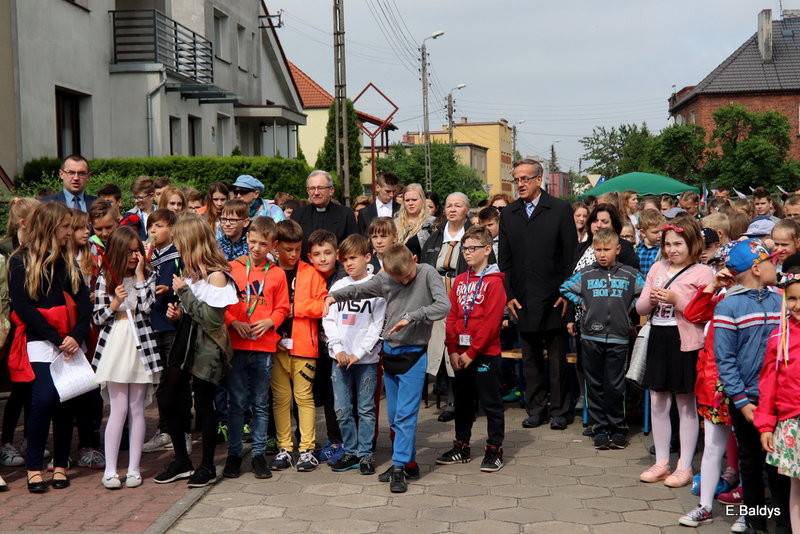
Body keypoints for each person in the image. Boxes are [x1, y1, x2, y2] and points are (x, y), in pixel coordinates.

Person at [324, 243, 450, 493]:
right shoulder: (385, 279)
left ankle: (399, 466)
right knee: (394, 417)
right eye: (398, 278)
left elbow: (443, 305)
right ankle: (410, 463)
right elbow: (360, 290)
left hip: (414, 354)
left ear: (414, 260)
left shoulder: (427, 273)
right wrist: (333, 296)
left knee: (405, 415)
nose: (404, 281)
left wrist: (412, 316)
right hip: (390, 353)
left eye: (407, 276)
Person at [8, 202, 91, 493]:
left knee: (65, 401)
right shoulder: (20, 260)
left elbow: (84, 302)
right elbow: (23, 307)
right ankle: (34, 468)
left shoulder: (68, 261)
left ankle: (60, 464)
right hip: (40, 341)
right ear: (50, 227)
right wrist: (57, 338)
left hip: (69, 340)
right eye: (65, 226)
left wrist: (76, 336)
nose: (70, 231)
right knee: (43, 399)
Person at [154, 215, 238, 488]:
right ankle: (182, 461)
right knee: (168, 397)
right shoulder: (193, 273)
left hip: (206, 345)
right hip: (186, 337)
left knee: (204, 402)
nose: (178, 247)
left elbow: (213, 320)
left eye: (180, 242)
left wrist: (185, 294)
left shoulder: (216, 275)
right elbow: (195, 312)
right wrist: (178, 313)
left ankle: (207, 466)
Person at [713, 240, 790, 532]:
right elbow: (725, 359)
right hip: (748, 399)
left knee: (779, 464)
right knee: (751, 462)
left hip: (779, 399)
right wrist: (742, 403)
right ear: (757, 269)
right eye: (771, 260)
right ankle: (756, 522)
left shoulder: (781, 300)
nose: (776, 265)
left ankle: (784, 523)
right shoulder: (728, 306)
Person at [499, 158, 577, 431]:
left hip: (555, 296)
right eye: (516, 179)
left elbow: (570, 257)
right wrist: (509, 294)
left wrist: (566, 292)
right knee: (530, 357)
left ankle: (560, 410)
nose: (520, 184)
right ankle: (536, 408)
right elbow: (504, 260)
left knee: (556, 358)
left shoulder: (559, 209)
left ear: (538, 180)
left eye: (525, 179)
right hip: (523, 297)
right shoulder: (509, 214)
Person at [636, 217, 712, 487]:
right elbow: (640, 308)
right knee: (658, 400)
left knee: (685, 403)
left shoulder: (703, 272)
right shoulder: (657, 267)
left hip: (686, 342)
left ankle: (685, 465)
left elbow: (703, 311)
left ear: (692, 243)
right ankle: (661, 462)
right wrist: (650, 299)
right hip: (659, 336)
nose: (672, 249)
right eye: (667, 244)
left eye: (678, 244)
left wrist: (677, 300)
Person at [561, 228, 644, 449]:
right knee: (595, 384)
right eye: (598, 249)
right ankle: (600, 428)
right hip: (590, 336)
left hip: (619, 338)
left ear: (618, 249)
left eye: (607, 249)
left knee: (615, 385)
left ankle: (618, 428)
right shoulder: (586, 273)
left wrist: (629, 307)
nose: (602, 254)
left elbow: (644, 292)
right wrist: (583, 303)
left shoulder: (629, 273)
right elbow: (565, 288)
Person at [91, 227, 161, 489]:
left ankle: (134, 469)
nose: (134, 256)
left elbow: (147, 307)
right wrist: (114, 303)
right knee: (118, 409)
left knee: (137, 408)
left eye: (137, 251)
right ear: (119, 252)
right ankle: (110, 470)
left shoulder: (148, 274)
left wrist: (140, 276)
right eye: (130, 251)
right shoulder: (105, 277)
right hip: (116, 343)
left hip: (141, 342)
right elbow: (97, 317)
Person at [222, 216, 289, 480]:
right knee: (237, 403)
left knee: (260, 403)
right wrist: (233, 322)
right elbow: (222, 303)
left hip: (263, 346)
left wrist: (271, 321)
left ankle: (259, 454)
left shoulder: (277, 273)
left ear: (273, 245)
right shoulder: (232, 268)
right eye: (253, 241)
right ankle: (234, 454)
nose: (257, 248)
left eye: (263, 244)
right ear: (247, 239)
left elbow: (282, 307)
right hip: (237, 344)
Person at [438, 226, 507, 472]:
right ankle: (461, 446)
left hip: (484, 353)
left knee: (491, 403)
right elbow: (452, 315)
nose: (467, 252)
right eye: (464, 248)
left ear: (487, 250)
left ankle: (494, 449)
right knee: (463, 402)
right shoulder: (460, 281)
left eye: (472, 248)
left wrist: (472, 352)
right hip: (460, 353)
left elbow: (491, 323)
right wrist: (453, 349)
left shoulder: (494, 282)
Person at [677, 263, 739, 527]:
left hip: (747, 385)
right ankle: (705, 507)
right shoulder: (722, 297)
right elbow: (693, 312)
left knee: (751, 453)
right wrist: (713, 286)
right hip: (714, 383)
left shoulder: (768, 298)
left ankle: (753, 513)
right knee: (712, 446)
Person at [322, 234, 386, 474]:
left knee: (366, 408)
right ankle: (350, 451)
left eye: (353, 258)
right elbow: (328, 319)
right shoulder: (338, 286)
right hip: (339, 360)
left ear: (367, 257)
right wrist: (338, 349)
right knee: (342, 409)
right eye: (345, 259)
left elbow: (377, 326)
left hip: (365, 360)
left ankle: (365, 454)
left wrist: (358, 354)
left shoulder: (376, 286)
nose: (348, 263)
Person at [270, 220, 328, 473]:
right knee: (281, 399)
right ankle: (284, 447)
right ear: (276, 247)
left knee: (304, 398)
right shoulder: (270, 272)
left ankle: (307, 449)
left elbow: (324, 305)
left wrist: (296, 308)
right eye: (288, 249)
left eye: (297, 249)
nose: (294, 254)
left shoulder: (311, 272)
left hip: (304, 345)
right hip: (275, 346)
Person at [421, 192, 481, 421]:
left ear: (467, 210)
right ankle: (452, 401)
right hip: (439, 303)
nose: (452, 209)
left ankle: (467, 401)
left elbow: (487, 268)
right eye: (448, 206)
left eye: (458, 206)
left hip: (466, 303)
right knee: (444, 350)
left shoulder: (475, 236)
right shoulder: (435, 237)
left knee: (464, 350)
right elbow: (424, 269)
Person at [141, 209, 192, 455]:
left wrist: (169, 291)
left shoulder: (178, 255)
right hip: (153, 325)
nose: (153, 231)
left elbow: (187, 286)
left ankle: (184, 432)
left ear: (172, 229)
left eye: (159, 226)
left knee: (177, 383)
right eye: (150, 226)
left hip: (173, 326)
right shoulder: (148, 256)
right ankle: (165, 431)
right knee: (161, 383)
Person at [756, 263, 800, 534]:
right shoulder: (779, 336)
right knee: (796, 484)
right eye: (792, 298)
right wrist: (765, 425)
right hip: (792, 422)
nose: (797, 305)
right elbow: (768, 384)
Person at [307, 229, 345, 465]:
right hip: (315, 343)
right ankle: (333, 440)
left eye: (327, 253)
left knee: (339, 395)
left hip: (341, 345)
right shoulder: (308, 276)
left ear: (337, 254)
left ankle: (345, 440)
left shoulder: (343, 278)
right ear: (310, 256)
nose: (322, 258)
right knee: (323, 394)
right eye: (317, 254)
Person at [291, 170, 359, 255]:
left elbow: (354, 246)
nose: (316, 193)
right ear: (308, 191)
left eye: (320, 188)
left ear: (331, 190)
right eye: (312, 188)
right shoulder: (298, 214)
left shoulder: (346, 214)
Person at [395, 183, 436, 259]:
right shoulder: (395, 224)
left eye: (414, 200)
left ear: (422, 200)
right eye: (407, 200)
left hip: (423, 265)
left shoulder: (432, 223)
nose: (410, 203)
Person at [125, 176, 157, 241]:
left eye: (140, 197)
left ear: (152, 196)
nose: (136, 201)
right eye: (134, 197)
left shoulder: (162, 213)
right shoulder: (129, 215)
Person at [637, 209, 665, 279]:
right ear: (643, 233)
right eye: (655, 232)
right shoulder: (637, 249)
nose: (660, 235)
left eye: (662, 231)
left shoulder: (663, 250)